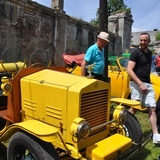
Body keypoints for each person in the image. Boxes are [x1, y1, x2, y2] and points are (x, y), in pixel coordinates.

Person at [127, 32, 160, 144]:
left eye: (145, 40)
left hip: (147, 83)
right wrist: (140, 83)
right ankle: (123, 123)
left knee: (152, 108)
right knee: (135, 107)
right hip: (137, 83)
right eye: (141, 40)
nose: (142, 42)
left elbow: (146, 67)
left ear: (149, 41)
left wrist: (148, 81)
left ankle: (156, 135)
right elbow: (129, 70)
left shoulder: (150, 53)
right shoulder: (135, 52)